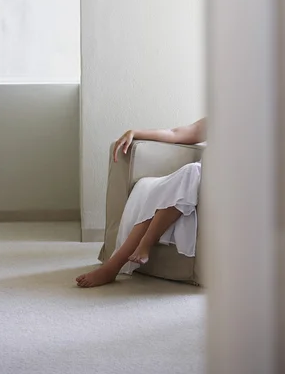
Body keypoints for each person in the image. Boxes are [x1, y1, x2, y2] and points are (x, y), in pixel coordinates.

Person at [76, 117, 207, 288]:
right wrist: (135, 132)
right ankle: (118, 262)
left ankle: (124, 258)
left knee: (192, 172)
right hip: (201, 178)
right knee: (186, 177)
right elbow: (175, 133)